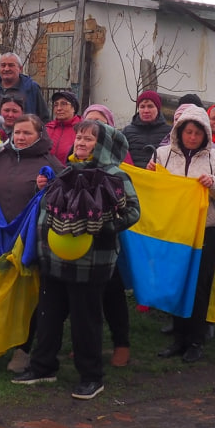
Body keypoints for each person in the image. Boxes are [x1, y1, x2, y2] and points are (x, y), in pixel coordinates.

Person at [13, 121, 140, 400]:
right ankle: (43, 366)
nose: (80, 142)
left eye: (88, 139)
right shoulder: (67, 170)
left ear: (103, 145)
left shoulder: (115, 176)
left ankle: (91, 377)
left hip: (90, 265)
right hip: (54, 261)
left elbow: (132, 212)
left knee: (86, 322)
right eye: (79, 137)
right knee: (48, 317)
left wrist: (100, 224)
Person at [0, 113, 64, 371]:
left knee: (26, 296)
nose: (21, 138)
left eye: (27, 133)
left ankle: (22, 349)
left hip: (28, 239)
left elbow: (63, 197)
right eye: (17, 133)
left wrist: (43, 188)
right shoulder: (1, 157)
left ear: (40, 136)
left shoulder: (49, 162)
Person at [152, 105, 215, 363]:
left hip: (205, 230)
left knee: (200, 286)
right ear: (179, 131)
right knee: (177, 283)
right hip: (175, 229)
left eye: (197, 134)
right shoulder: (162, 154)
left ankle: (196, 341)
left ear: (205, 135)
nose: (192, 137)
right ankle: (178, 339)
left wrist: (213, 183)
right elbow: (155, 191)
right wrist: (151, 174)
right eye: (187, 132)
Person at [80, 105, 132, 364]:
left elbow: (130, 208)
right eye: (86, 125)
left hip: (107, 244)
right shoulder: (75, 164)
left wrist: (106, 224)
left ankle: (121, 342)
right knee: (84, 300)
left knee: (112, 292)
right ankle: (88, 342)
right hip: (78, 245)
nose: (88, 134)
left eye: (97, 125)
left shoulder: (117, 169)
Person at [122, 90, 170, 169]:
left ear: (158, 108)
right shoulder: (127, 132)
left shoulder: (169, 132)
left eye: (150, 106)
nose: (146, 111)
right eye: (142, 106)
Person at [0, 52, 48, 120]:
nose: (6, 69)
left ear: (20, 69)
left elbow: (44, 118)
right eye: (3, 65)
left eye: (11, 65)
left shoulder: (31, 88)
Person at [45, 90, 80, 163]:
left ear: (74, 108)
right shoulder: (47, 128)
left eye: (64, 104)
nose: (59, 108)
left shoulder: (81, 129)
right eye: (56, 105)